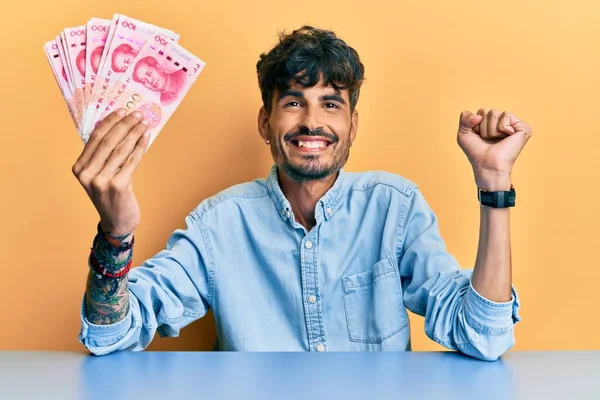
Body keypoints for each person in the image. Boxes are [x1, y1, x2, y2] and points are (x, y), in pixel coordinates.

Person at [73, 26, 532, 360]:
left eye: (331, 103)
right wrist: (116, 234)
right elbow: (109, 335)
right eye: (293, 102)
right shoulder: (219, 225)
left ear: (352, 126)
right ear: (264, 122)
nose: (312, 121)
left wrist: (494, 184)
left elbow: (483, 336)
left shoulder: (395, 208)